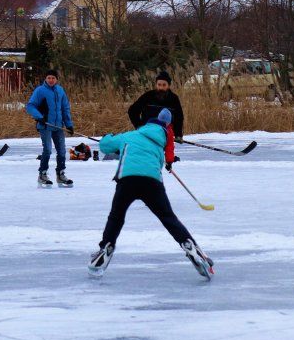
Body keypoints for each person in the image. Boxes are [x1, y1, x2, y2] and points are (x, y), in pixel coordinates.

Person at [89, 108, 213, 279]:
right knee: (168, 218)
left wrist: (108, 136)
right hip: (152, 182)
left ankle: (106, 247)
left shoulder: (130, 136)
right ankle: (189, 245)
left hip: (128, 180)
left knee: (116, 217)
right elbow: (159, 161)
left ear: (145, 126)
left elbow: (105, 146)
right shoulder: (159, 144)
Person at [26, 69, 74, 187]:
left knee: (62, 151)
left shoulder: (60, 90)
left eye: (53, 78)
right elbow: (30, 106)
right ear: (45, 79)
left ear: (56, 79)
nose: (51, 80)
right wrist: (39, 116)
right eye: (49, 78)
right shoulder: (40, 91)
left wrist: (68, 124)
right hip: (45, 125)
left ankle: (61, 174)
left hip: (58, 126)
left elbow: (65, 108)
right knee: (47, 150)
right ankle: (42, 174)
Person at [127, 70, 184, 139]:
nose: (161, 88)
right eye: (159, 85)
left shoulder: (174, 99)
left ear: (168, 85)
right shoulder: (148, 96)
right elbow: (132, 110)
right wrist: (139, 126)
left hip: (165, 134)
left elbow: (179, 117)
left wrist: (178, 134)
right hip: (147, 133)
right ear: (156, 84)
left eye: (164, 85)